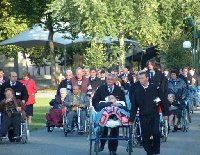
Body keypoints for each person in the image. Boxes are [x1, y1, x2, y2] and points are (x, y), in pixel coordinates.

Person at [130, 70, 168, 155]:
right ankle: (150, 152)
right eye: (139, 78)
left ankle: (156, 152)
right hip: (143, 116)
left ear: (147, 78)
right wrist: (131, 118)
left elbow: (163, 100)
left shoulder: (155, 88)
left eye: (142, 78)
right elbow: (134, 106)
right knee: (145, 137)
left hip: (154, 115)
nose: (140, 80)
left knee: (156, 133)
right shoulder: (137, 91)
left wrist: (165, 113)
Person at [92, 73, 125, 155]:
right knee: (103, 129)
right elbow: (95, 100)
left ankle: (113, 150)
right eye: (108, 79)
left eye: (111, 79)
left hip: (115, 115)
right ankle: (102, 144)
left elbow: (123, 102)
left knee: (114, 130)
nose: (109, 81)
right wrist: (98, 108)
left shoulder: (119, 89)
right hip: (104, 114)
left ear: (115, 80)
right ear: (106, 80)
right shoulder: (101, 88)